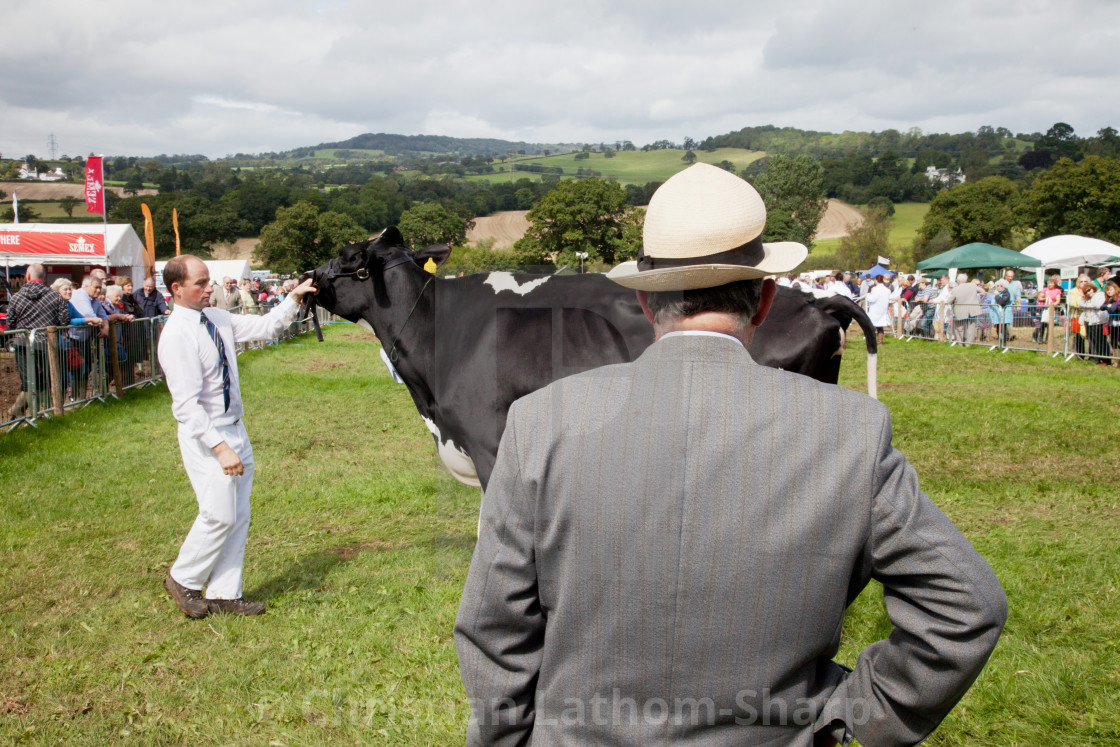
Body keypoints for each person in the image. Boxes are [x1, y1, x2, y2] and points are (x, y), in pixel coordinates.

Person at [454, 163, 1007, 746]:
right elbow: (965, 607)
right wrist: (845, 724)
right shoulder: (851, 431)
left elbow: (495, 634)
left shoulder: (540, 423)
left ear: (645, 299)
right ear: (766, 298)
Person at [159, 255, 317, 618]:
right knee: (218, 514)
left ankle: (225, 592)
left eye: (208, 281)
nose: (208, 289)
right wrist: (219, 447)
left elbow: (263, 328)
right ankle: (183, 578)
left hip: (235, 427)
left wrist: (294, 297)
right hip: (208, 435)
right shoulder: (177, 335)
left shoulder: (215, 318)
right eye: (199, 283)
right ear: (176, 289)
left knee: (238, 515)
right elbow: (186, 405)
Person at [5, 263, 70, 418]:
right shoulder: (54, 296)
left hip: (23, 343)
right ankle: (36, 413)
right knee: (43, 381)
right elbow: (64, 320)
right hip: (47, 344)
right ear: (44, 277)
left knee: (28, 382)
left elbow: (10, 322)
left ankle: (28, 412)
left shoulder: (17, 297)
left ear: (27, 276)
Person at [948, 273, 982, 345]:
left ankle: (960, 343)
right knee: (971, 329)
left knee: (959, 328)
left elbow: (949, 301)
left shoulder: (955, 289)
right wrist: (978, 303)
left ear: (959, 281)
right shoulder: (973, 286)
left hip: (960, 311)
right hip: (972, 311)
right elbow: (983, 292)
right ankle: (968, 344)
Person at [1033, 275, 1062, 344]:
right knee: (1043, 324)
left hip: (1052, 309)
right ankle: (1040, 337)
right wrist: (1046, 299)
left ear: (1055, 283)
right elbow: (1039, 298)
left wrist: (1052, 305)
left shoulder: (1057, 290)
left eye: (1051, 283)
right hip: (1045, 308)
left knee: (1050, 324)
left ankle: (1047, 339)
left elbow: (1058, 300)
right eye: (1049, 282)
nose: (1050, 284)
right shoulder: (1045, 289)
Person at [865, 274, 891, 345]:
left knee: (872, 326)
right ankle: (880, 342)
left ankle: (871, 341)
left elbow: (872, 299)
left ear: (876, 280)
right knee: (880, 326)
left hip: (875, 309)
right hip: (883, 310)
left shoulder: (875, 289)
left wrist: (867, 295)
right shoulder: (887, 290)